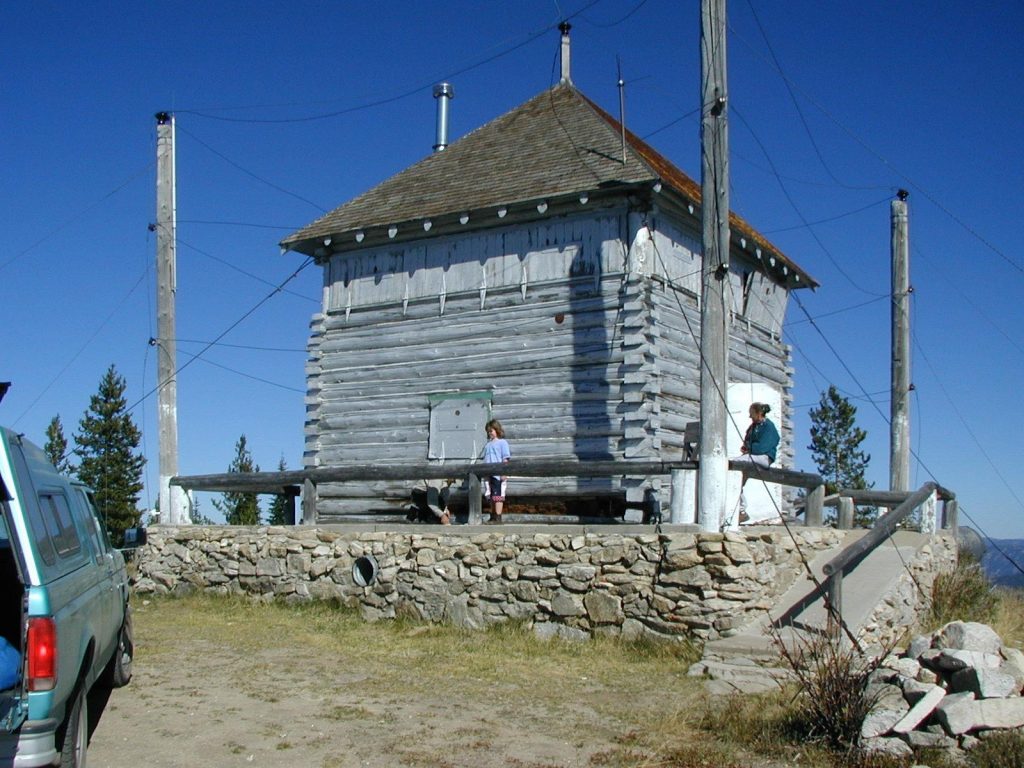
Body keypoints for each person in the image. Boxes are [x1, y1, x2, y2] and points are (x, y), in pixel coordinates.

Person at [731, 402, 780, 525]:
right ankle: (740, 511)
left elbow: (761, 448)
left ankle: (741, 509)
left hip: (763, 458)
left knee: (735, 463)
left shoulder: (769, 427)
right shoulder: (753, 427)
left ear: (758, 414)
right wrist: (745, 447)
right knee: (737, 480)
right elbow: (747, 441)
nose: (750, 417)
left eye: (752, 415)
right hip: (751, 456)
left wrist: (748, 447)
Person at [482, 419, 511, 524]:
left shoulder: (502, 443)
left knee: (498, 495)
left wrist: (504, 471)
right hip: (488, 473)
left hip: (498, 474)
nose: (490, 433)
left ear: (497, 430)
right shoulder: (487, 445)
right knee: (490, 495)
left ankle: (498, 516)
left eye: (492, 431)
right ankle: (493, 515)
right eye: (488, 431)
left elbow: (505, 458)